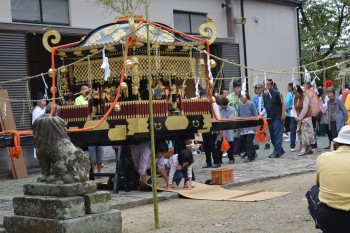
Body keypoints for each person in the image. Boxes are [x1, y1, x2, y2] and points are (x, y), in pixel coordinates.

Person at [306, 125, 350, 233]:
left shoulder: (323, 157)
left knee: (313, 190)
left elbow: (319, 183)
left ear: (337, 144)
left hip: (329, 218)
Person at [263, 79, 285, 158]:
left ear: (272, 85)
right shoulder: (265, 95)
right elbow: (266, 107)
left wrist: (283, 114)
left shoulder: (277, 93)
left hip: (277, 117)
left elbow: (283, 104)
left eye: (268, 84)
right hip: (270, 118)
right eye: (265, 84)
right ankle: (280, 150)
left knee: (277, 135)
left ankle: (276, 152)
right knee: (272, 136)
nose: (267, 86)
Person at [200, 89, 221, 168]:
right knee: (206, 146)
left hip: (212, 127)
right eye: (202, 96)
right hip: (204, 127)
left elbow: (217, 115)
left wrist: (217, 127)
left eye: (205, 95)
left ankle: (216, 161)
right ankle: (208, 162)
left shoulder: (213, 103)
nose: (203, 97)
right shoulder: (201, 105)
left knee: (211, 145)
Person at [293, 85, 315, 156]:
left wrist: (300, 117)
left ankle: (303, 149)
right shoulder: (295, 97)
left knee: (305, 134)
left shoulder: (305, 97)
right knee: (301, 133)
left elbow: (305, 109)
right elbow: (293, 108)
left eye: (296, 92)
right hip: (299, 118)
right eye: (294, 93)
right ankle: (309, 148)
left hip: (306, 118)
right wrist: (296, 116)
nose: (295, 94)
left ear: (299, 91)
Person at [238, 93, 258, 162]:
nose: (242, 98)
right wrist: (238, 126)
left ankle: (250, 156)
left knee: (249, 141)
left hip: (250, 126)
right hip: (243, 126)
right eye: (240, 97)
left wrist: (255, 126)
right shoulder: (239, 104)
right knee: (244, 141)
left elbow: (255, 115)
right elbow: (238, 115)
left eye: (242, 96)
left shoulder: (251, 104)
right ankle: (252, 153)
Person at [216, 96, 235, 164]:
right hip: (220, 130)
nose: (220, 106)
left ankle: (231, 158)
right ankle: (219, 159)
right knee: (219, 145)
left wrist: (221, 120)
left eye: (221, 105)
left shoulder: (231, 109)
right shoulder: (218, 109)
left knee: (229, 145)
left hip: (228, 130)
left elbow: (230, 119)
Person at [252, 84, 271, 150]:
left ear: (262, 88)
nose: (258, 89)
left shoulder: (266, 96)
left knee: (266, 130)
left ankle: (267, 143)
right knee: (257, 130)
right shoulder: (254, 98)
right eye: (256, 88)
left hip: (265, 115)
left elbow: (267, 106)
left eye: (259, 88)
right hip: (257, 116)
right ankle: (256, 144)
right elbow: (253, 106)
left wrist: (262, 113)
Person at [305, 82, 320, 150]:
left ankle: (313, 145)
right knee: (311, 129)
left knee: (312, 130)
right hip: (310, 113)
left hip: (311, 113)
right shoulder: (310, 91)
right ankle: (311, 145)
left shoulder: (311, 92)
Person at [285, 83, 296, 151]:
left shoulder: (289, 94)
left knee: (290, 127)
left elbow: (287, 102)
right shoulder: (295, 94)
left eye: (288, 86)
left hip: (290, 112)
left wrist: (287, 108)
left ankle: (292, 145)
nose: (287, 88)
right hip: (295, 113)